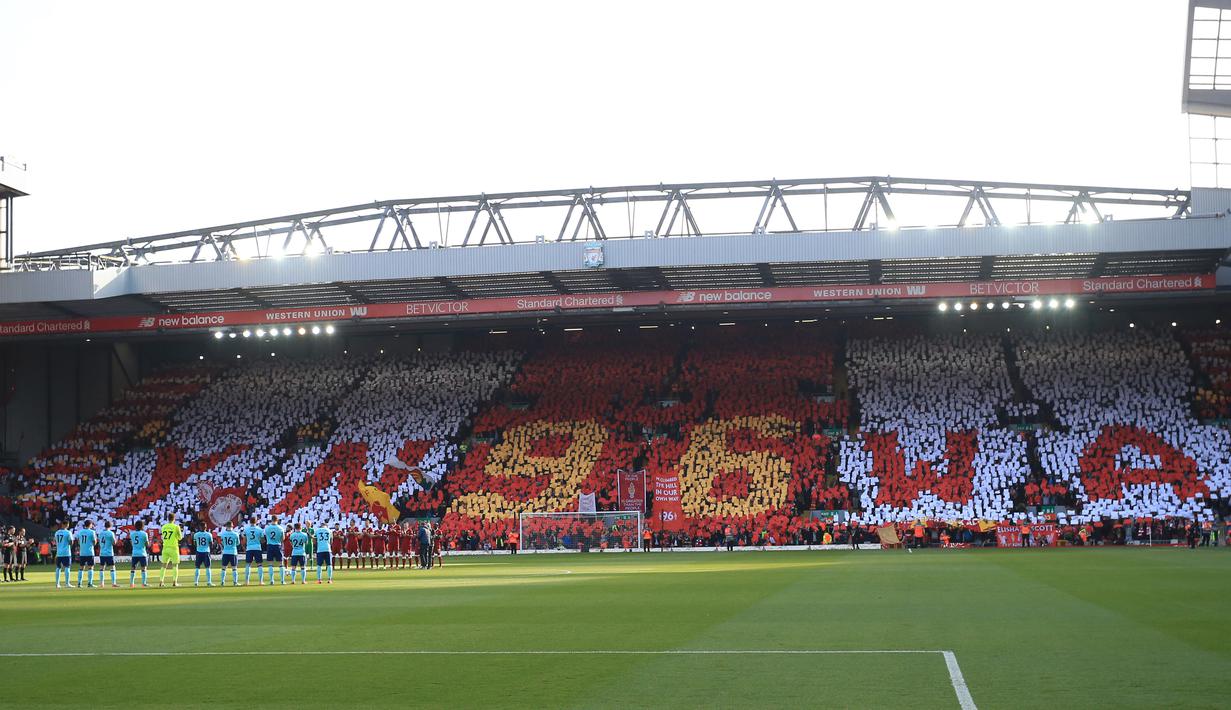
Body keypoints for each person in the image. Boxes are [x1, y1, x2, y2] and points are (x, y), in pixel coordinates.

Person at [158, 513, 184, 588]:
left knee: (163, 566)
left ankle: (161, 581)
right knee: (175, 565)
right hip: (173, 548)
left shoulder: (163, 527)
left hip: (165, 547)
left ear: (167, 518)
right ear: (174, 519)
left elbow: (163, 537)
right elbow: (180, 538)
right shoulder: (176, 527)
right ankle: (174, 582)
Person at [264, 516, 287, 585]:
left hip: (270, 546)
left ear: (271, 520)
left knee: (270, 564)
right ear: (277, 520)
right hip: (277, 546)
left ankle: (271, 580)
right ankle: (282, 581)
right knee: (281, 564)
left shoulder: (267, 528)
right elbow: (283, 538)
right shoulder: (280, 528)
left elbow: (265, 537)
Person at [242, 517, 265, 585]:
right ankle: (260, 581)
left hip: (249, 548)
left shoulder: (246, 529)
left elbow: (244, 540)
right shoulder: (260, 529)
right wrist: (259, 541)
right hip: (257, 548)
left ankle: (246, 581)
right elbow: (262, 540)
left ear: (249, 522)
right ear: (256, 521)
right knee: (259, 564)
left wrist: (245, 546)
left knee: (248, 564)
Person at [76, 520, 98, 589]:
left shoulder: (80, 532)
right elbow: (94, 542)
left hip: (82, 552)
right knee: (90, 567)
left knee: (81, 567)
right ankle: (90, 583)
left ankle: (79, 583)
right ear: (90, 524)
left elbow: (79, 542)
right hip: (89, 552)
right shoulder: (92, 532)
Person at [129, 520, 150, 588]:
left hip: (134, 553)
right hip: (142, 553)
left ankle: (132, 583)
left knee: (133, 568)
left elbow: (132, 543)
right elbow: (147, 544)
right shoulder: (144, 534)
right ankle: (144, 583)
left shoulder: (132, 534)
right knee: (143, 568)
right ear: (142, 526)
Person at [53, 521, 75, 589]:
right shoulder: (68, 532)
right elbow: (71, 542)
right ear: (66, 525)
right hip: (66, 552)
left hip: (59, 552)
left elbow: (55, 542)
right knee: (67, 567)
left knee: (58, 568)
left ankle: (57, 584)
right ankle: (67, 583)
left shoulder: (57, 532)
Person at [99, 520, 119, 588]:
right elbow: (114, 543)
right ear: (110, 526)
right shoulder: (111, 533)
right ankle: (113, 583)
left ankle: (101, 584)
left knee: (102, 568)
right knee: (112, 567)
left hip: (102, 552)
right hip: (109, 553)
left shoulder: (100, 533)